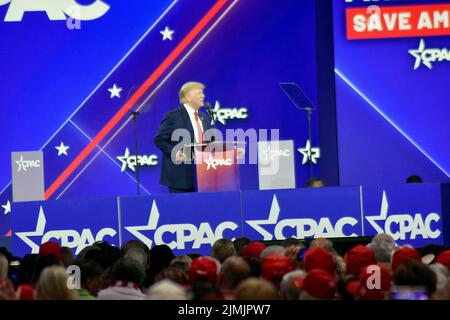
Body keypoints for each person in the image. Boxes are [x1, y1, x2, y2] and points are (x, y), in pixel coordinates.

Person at [154, 81, 213, 193]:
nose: (203, 96)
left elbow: (211, 143)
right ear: (188, 97)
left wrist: (231, 152)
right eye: (199, 93)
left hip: (204, 176)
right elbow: (159, 139)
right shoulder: (173, 116)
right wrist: (175, 152)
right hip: (180, 178)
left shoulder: (203, 117)